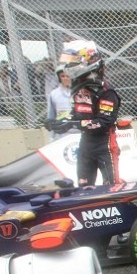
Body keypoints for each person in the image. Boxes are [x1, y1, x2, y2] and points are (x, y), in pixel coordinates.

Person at [58, 40, 122, 186]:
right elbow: (75, 113)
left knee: (111, 187)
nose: (69, 66)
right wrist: (61, 122)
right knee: (84, 188)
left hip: (104, 145)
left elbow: (103, 123)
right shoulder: (79, 89)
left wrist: (74, 123)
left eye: (73, 62)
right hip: (85, 144)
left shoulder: (107, 92)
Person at [46, 67, 74, 139]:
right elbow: (51, 116)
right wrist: (51, 138)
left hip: (79, 132)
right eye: (62, 76)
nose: (65, 78)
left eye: (68, 76)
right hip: (62, 133)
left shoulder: (82, 91)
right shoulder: (54, 94)